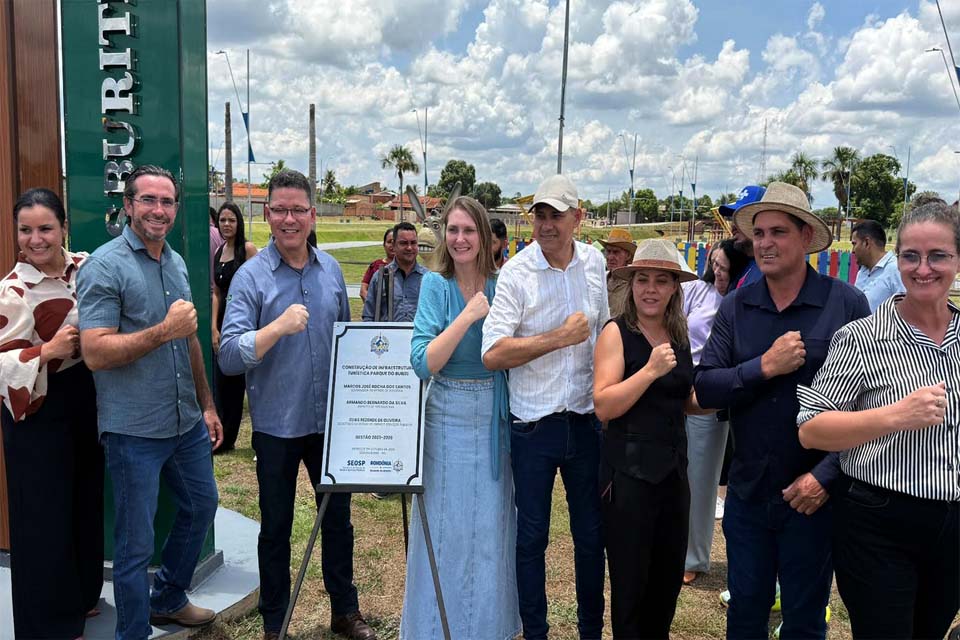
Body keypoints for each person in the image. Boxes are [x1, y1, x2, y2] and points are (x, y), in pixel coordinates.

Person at [694, 182, 870, 639]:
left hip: (815, 494)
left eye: (778, 232)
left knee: (806, 619)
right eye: (759, 233)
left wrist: (826, 477)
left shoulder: (845, 304)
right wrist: (762, 367)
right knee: (746, 614)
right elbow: (708, 386)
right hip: (750, 493)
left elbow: (871, 406)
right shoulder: (737, 306)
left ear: (807, 237)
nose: (765, 243)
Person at [218, 169, 375, 640]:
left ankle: (345, 611)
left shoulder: (329, 271)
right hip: (276, 424)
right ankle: (274, 622)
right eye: (280, 210)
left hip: (329, 422)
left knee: (338, 523)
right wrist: (275, 328)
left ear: (311, 215)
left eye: (298, 210)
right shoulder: (251, 278)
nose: (289, 219)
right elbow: (228, 355)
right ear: (266, 215)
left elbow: (347, 344)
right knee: (276, 528)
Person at [797, 201, 960, 640]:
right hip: (879, 520)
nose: (923, 268)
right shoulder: (863, 337)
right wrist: (894, 416)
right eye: (911, 256)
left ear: (958, 261)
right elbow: (811, 428)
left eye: (939, 256)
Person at [77, 165, 222, 640]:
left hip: (183, 422)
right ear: (128, 205)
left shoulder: (175, 262)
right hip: (133, 430)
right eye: (149, 200)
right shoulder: (105, 265)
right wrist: (164, 331)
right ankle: (133, 633)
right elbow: (95, 352)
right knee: (135, 546)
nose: (159, 210)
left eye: (167, 202)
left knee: (202, 505)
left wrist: (206, 404)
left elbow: (192, 339)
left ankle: (169, 599)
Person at [482, 174, 608, 640]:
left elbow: (606, 333)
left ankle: (590, 630)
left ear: (578, 217)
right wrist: (558, 337)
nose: (547, 224)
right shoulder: (517, 272)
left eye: (557, 214)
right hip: (534, 425)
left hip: (585, 419)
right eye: (540, 214)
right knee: (532, 537)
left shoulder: (594, 264)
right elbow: (492, 353)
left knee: (590, 536)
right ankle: (535, 631)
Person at [401, 196, 521, 640]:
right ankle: (435, 628)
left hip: (493, 415)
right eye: (453, 230)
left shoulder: (504, 284)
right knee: (446, 528)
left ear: (485, 237)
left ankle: (489, 627)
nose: (460, 238)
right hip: (446, 419)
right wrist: (468, 315)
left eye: (469, 230)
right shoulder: (436, 285)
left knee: (491, 530)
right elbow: (423, 361)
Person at [0, 188, 104, 640]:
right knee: (44, 513)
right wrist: (47, 350)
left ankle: (83, 597)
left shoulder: (85, 267)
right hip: (38, 409)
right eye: (26, 230)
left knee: (84, 498)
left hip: (84, 397)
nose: (35, 239)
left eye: (45, 228)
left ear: (64, 227)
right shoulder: (13, 289)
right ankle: (51, 623)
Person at [593, 238, 706, 638]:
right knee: (631, 589)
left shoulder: (678, 334)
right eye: (642, 279)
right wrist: (648, 371)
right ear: (631, 284)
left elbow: (683, 399)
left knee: (666, 583)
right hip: (629, 480)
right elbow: (604, 405)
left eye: (661, 280)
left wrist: (717, 397)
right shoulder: (616, 333)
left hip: (674, 478)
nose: (650, 289)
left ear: (675, 287)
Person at [680, 239, 748, 585]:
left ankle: (694, 556)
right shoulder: (697, 289)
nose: (718, 272)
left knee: (702, 477)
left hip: (712, 393)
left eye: (725, 268)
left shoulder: (740, 301)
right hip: (680, 384)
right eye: (715, 265)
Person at [211, 202, 258, 452]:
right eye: (222, 220)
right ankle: (224, 437)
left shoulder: (247, 250)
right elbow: (216, 292)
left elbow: (263, 282)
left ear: (239, 223)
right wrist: (213, 328)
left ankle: (255, 437)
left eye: (231, 220)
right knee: (224, 383)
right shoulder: (219, 251)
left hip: (246, 322)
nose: (226, 225)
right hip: (223, 323)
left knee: (246, 382)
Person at [362, 221, 428, 322]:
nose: (409, 247)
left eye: (413, 243)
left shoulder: (428, 278)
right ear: (393, 245)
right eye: (403, 243)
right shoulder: (380, 278)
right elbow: (368, 316)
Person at [850, 219, 905, 312]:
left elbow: (908, 312)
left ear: (867, 243)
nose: (853, 250)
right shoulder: (863, 272)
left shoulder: (895, 270)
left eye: (854, 244)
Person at [718, 185, 766, 289]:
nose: (733, 226)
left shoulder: (767, 275)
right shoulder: (740, 265)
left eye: (741, 218)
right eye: (732, 218)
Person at [598, 228, 638, 318]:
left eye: (616, 252)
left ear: (628, 256)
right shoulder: (600, 279)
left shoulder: (634, 285)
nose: (610, 257)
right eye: (608, 251)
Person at [360, 226, 395, 301]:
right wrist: (374, 307)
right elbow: (363, 291)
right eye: (389, 242)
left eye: (395, 242)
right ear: (384, 245)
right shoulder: (376, 265)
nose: (392, 245)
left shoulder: (405, 267)